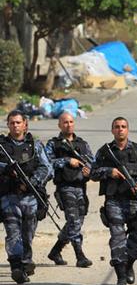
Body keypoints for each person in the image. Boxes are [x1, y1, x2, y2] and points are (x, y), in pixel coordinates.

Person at [91, 117, 137, 285]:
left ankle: (128, 265)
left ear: (128, 129)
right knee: (117, 238)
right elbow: (92, 172)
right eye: (117, 127)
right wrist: (108, 171)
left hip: (134, 200)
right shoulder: (104, 152)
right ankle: (120, 277)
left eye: (123, 127)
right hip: (113, 201)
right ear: (112, 130)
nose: (120, 129)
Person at [0, 110, 52, 284]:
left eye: (18, 122)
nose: (15, 125)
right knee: (13, 231)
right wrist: (5, 169)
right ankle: (16, 266)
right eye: (12, 122)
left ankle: (26, 260)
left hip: (30, 196)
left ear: (25, 124)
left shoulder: (35, 145)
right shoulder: (1, 146)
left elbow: (47, 168)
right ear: (8, 125)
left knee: (28, 233)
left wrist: (32, 181)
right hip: (9, 196)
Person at [45, 112, 94, 268]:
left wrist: (89, 170)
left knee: (77, 221)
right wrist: (67, 160)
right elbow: (47, 163)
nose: (68, 125)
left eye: (71, 122)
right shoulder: (53, 144)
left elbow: (92, 162)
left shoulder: (82, 143)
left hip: (81, 186)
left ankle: (55, 250)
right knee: (73, 220)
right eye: (65, 122)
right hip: (65, 187)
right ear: (59, 125)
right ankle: (80, 256)